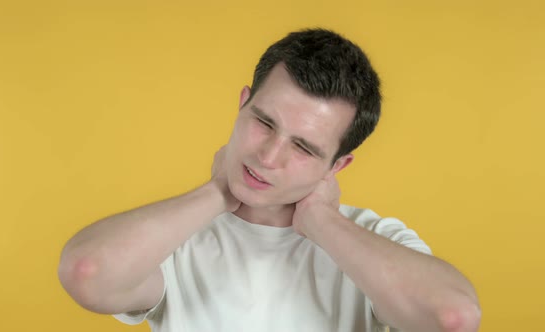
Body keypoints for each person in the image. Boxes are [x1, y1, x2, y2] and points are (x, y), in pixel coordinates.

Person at [58, 28, 481, 332]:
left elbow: (452, 318)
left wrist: (320, 220)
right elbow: (87, 272)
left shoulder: (372, 238)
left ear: (337, 165)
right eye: (263, 122)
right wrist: (218, 192)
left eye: (304, 148)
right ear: (243, 103)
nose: (268, 156)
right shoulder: (177, 239)